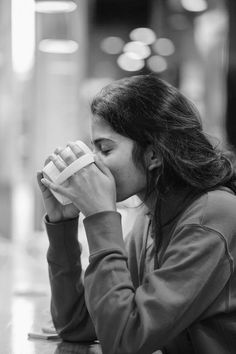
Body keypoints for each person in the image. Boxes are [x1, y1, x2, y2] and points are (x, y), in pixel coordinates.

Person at [37, 74, 236, 354]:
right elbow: (78, 323)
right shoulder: (149, 218)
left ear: (153, 155)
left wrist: (101, 218)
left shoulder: (212, 215)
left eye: (105, 148)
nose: (93, 161)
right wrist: (63, 228)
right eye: (92, 147)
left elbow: (125, 341)